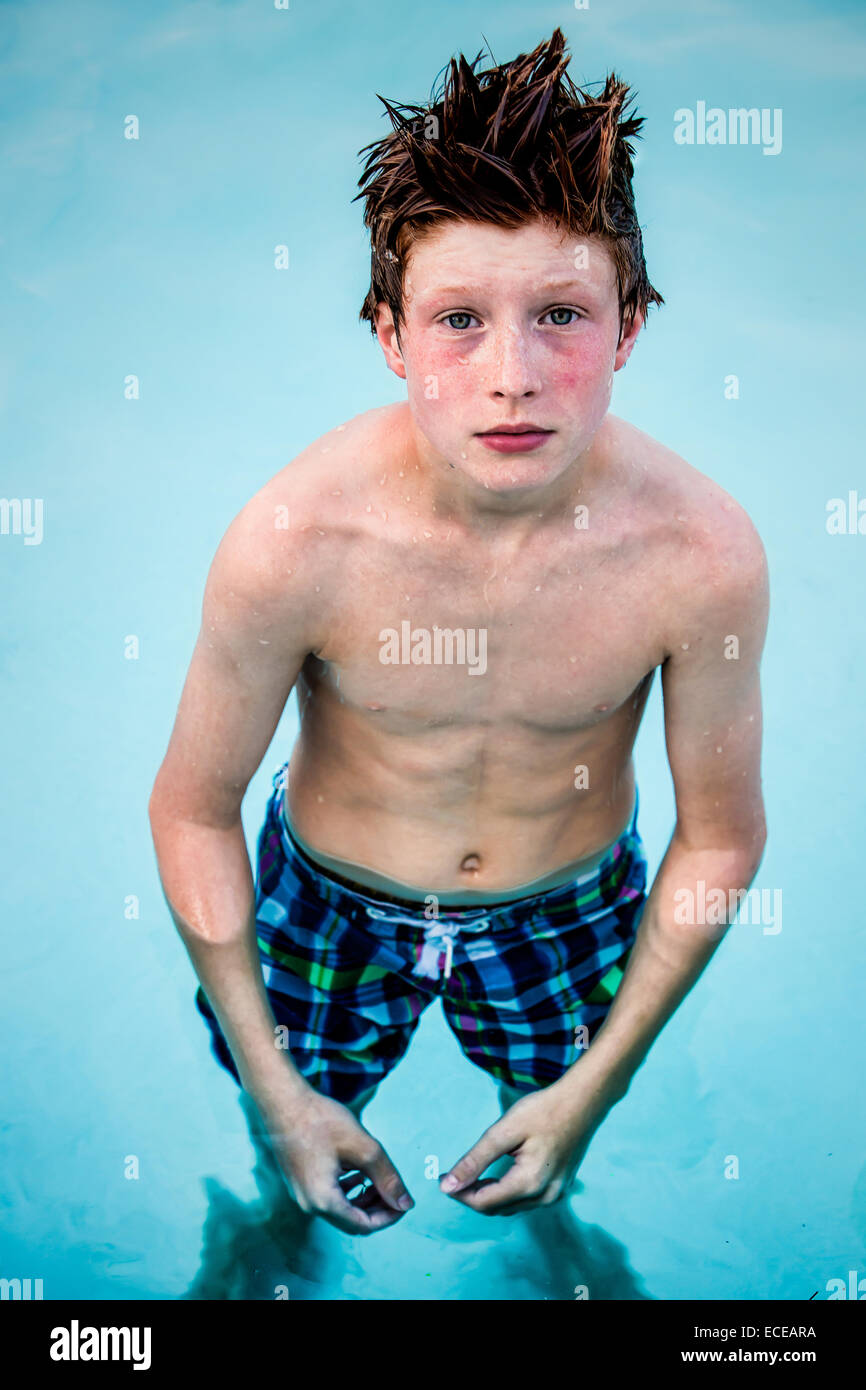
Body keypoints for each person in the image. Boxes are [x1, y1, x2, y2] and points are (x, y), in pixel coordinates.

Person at [149, 26, 768, 1239]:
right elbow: (189, 809)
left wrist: (596, 1091)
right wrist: (279, 1097)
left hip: (570, 907)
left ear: (628, 324)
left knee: (549, 1178)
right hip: (327, 902)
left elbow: (720, 841)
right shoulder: (296, 542)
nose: (512, 376)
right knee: (289, 1177)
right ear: (388, 334)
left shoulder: (699, 558)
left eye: (558, 314)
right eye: (457, 322)